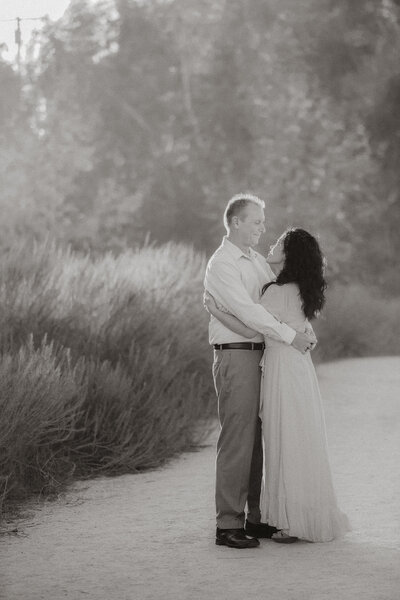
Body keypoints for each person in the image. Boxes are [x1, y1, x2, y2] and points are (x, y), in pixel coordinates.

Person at [205, 228, 350, 543]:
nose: (272, 243)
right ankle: (296, 515)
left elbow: (253, 327)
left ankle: (287, 519)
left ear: (288, 254)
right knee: (300, 436)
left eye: (279, 243)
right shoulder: (299, 288)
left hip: (282, 368)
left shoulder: (276, 290)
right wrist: (303, 335)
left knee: (283, 439)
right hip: (297, 368)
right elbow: (301, 328)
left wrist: (215, 311)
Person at [203, 194, 316, 549]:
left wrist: (300, 330)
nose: (263, 228)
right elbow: (250, 314)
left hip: (263, 353)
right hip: (236, 356)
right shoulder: (222, 264)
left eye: (263, 222)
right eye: (256, 221)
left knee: (257, 440)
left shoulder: (256, 261)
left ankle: (255, 517)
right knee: (238, 438)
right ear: (236, 222)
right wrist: (288, 336)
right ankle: (228, 524)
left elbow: (277, 303)